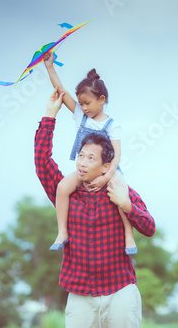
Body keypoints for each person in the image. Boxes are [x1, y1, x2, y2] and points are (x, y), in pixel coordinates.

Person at [35, 87, 156, 327]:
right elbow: (42, 161)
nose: (82, 162)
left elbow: (150, 228)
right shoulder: (67, 194)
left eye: (91, 158)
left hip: (120, 291)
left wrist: (127, 205)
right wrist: (50, 115)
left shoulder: (120, 191)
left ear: (105, 166)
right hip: (80, 295)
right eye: (81, 155)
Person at [43, 53, 138, 255]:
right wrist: (50, 67)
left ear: (101, 100)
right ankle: (62, 232)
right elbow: (61, 91)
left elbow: (117, 156)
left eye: (87, 103)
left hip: (108, 170)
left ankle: (128, 235)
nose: (83, 108)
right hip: (86, 169)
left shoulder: (112, 125)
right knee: (62, 187)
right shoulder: (80, 115)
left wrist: (107, 178)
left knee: (121, 194)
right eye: (81, 103)